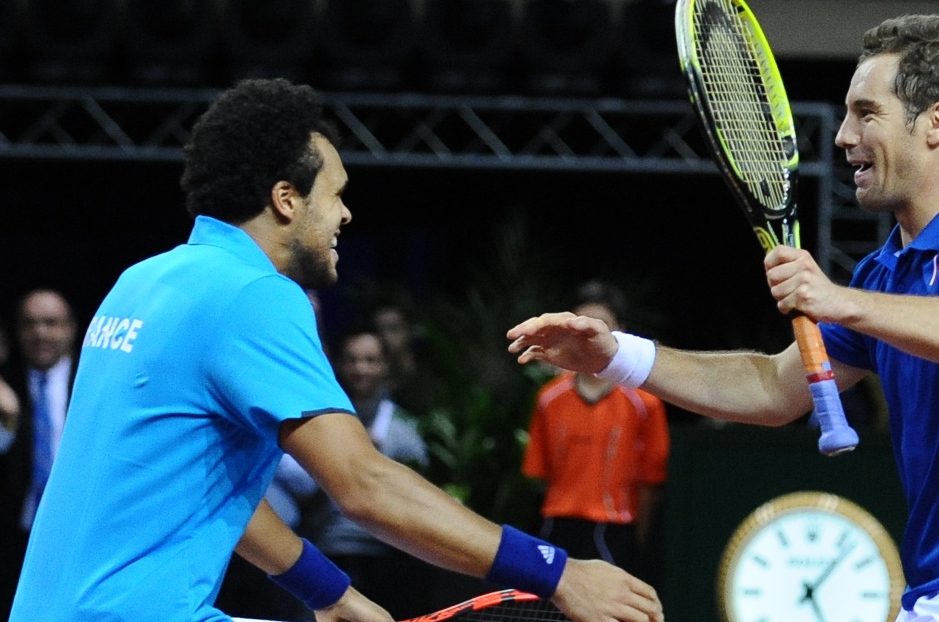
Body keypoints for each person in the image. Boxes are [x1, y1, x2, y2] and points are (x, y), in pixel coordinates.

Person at [508, 15, 939, 622]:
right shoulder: (884, 272)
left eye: (866, 113)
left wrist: (837, 300)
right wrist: (616, 356)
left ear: (937, 123)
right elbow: (772, 387)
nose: (844, 135)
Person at [9, 78, 663, 622]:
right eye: (337, 194)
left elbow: (216, 502)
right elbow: (364, 484)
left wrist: (334, 595)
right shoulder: (254, 295)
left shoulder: (142, 282)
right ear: (286, 200)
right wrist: (554, 574)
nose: (346, 215)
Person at [521, 281, 668, 579]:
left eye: (599, 326)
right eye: (577, 327)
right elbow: (539, 475)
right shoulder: (548, 399)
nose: (587, 336)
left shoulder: (645, 403)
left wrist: (637, 542)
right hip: (556, 526)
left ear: (620, 332)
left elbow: (651, 484)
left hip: (615, 531)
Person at [296, 329, 435, 620]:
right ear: (338, 364)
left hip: (386, 553)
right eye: (352, 360)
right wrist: (334, 461)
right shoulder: (312, 424)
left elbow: (419, 502)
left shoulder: (405, 432)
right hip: (325, 550)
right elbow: (300, 497)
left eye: (371, 360)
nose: (361, 369)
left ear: (386, 366)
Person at [0, 289, 78, 619]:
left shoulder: (95, 381)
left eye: (51, 323)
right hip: (14, 539)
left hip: (77, 535)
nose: (40, 333)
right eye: (30, 324)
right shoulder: (7, 384)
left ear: (72, 329)